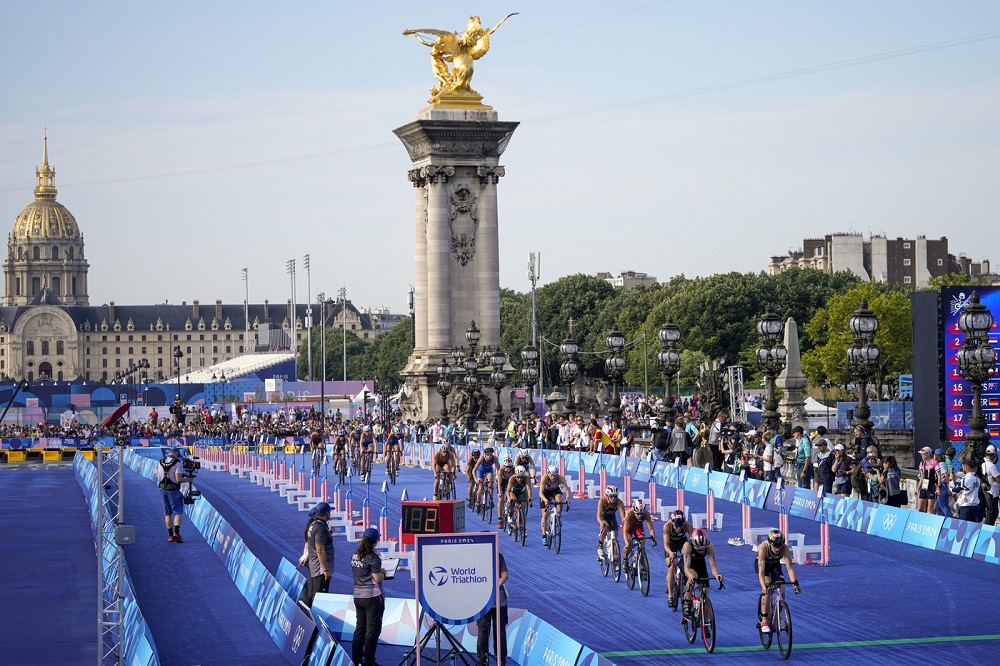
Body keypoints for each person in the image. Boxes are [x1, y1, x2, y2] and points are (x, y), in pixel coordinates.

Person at [351, 527, 385, 666]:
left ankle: (356, 659)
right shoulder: (374, 558)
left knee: (360, 628)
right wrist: (382, 573)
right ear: (376, 541)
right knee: (372, 630)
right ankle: (369, 661)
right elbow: (377, 578)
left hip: (358, 596)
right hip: (372, 598)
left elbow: (365, 571)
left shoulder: (354, 555)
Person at [755, 530, 801, 633]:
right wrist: (763, 586)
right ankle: (764, 620)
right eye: (775, 546)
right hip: (764, 567)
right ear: (770, 543)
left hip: (775, 565)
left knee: (782, 588)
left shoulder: (784, 548)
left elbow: (789, 568)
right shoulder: (763, 548)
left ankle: (778, 615)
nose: (777, 548)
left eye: (779, 546)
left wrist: (795, 583)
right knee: (767, 589)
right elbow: (761, 572)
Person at [680, 529, 723, 625]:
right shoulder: (688, 546)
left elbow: (713, 566)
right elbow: (687, 568)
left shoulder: (710, 546)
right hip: (688, 564)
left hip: (700, 564)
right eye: (699, 549)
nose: (701, 551)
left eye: (703, 549)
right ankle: (687, 601)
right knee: (693, 576)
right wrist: (690, 576)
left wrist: (717, 575)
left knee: (705, 592)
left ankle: (706, 622)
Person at [476, 551, 509, 666]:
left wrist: (493, 588)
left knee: (484, 630)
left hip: (490, 601)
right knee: (498, 631)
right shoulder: (498, 555)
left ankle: (483, 661)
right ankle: (500, 661)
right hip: (492, 601)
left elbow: (505, 575)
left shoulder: (476, 556)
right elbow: (505, 575)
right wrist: (497, 585)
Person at [299, 502, 335, 607]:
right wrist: (325, 570)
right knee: (319, 597)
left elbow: (309, 545)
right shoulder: (320, 528)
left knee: (313, 593)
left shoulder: (312, 525)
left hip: (314, 565)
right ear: (327, 513)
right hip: (319, 568)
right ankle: (316, 622)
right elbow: (319, 549)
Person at [155, 447, 193, 543]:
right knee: (177, 511)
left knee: (167, 513)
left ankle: (170, 535)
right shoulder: (177, 463)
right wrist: (188, 479)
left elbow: (158, 476)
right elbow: (178, 479)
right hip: (174, 490)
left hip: (163, 489)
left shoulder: (160, 462)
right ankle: (176, 532)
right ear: (175, 453)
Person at [663, 509, 694, 605]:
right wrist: (670, 553)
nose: (678, 528)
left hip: (682, 542)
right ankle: (670, 596)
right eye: (676, 526)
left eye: (680, 526)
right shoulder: (667, 526)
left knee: (688, 560)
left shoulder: (688, 526)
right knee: (671, 567)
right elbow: (666, 545)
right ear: (672, 523)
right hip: (670, 545)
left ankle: (683, 576)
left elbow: (692, 541)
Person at [538, 464, 570, 546]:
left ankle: (558, 517)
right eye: (551, 475)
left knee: (559, 500)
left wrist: (567, 499)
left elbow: (566, 490)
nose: (552, 478)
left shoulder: (560, 477)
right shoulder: (545, 478)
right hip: (545, 493)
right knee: (545, 515)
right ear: (548, 474)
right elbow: (541, 493)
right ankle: (544, 535)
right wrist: (545, 500)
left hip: (555, 491)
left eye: (554, 475)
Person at [596, 485, 626, 560]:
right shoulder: (602, 501)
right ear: (607, 496)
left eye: (615, 496)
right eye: (611, 496)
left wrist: (624, 522)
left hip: (612, 517)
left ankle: (615, 559)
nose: (613, 498)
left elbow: (623, 516)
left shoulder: (619, 502)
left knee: (615, 536)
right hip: (603, 517)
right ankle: (600, 545)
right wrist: (601, 523)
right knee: (606, 526)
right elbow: (598, 515)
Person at [917, 446, 939, 514]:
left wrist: (938, 487)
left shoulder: (934, 462)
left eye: (923, 454)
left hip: (932, 485)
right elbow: (921, 477)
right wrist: (918, 489)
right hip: (924, 485)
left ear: (928, 454)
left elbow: (939, 476)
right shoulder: (921, 463)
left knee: (930, 507)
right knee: (920, 508)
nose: (921, 455)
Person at [496, 456, 517, 529]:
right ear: (504, 466)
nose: (508, 469)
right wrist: (500, 492)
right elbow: (499, 483)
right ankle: (499, 518)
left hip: (510, 483)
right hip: (502, 483)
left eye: (510, 467)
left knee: (512, 498)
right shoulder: (501, 470)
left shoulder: (514, 470)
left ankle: (510, 514)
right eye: (507, 467)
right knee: (501, 499)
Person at [982, 445, 1000, 526]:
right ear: (994, 454)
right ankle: (987, 530)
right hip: (992, 493)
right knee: (992, 513)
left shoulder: (982, 463)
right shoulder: (991, 466)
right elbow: (999, 478)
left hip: (985, 492)